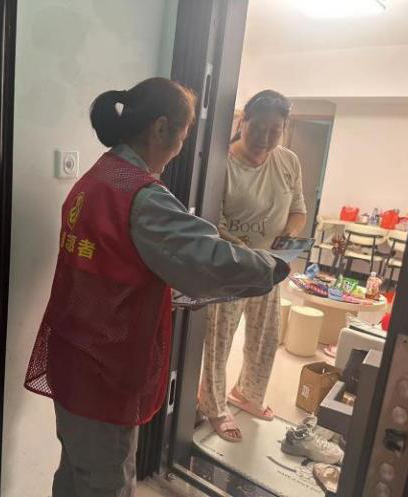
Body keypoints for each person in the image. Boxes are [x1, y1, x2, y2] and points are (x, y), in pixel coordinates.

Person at [24, 78, 290, 497]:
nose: (181, 148)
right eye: (183, 136)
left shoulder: (97, 176)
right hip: (105, 368)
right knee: (106, 483)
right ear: (161, 128)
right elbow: (207, 259)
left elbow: (118, 264)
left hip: (72, 353)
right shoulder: (141, 196)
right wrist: (271, 267)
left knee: (75, 473)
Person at [198, 89, 307, 443]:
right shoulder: (220, 163)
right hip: (230, 266)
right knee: (220, 338)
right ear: (242, 121)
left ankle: (247, 392)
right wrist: (243, 250)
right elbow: (212, 221)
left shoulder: (288, 161)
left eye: (275, 131)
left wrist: (289, 236)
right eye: (258, 128)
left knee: (266, 336)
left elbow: (298, 212)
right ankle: (213, 404)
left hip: (270, 265)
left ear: (284, 129)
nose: (265, 138)